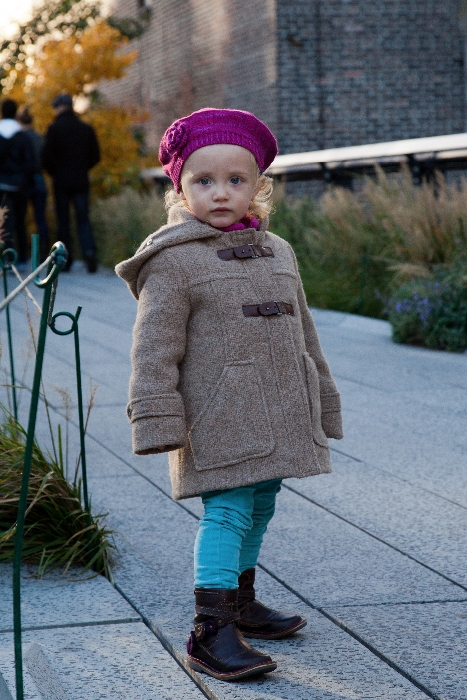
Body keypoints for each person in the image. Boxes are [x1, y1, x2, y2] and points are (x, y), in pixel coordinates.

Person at [116, 108, 343, 682]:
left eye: (236, 180)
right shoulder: (173, 261)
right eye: (204, 181)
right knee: (229, 509)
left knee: (262, 501)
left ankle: (241, 603)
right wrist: (156, 418)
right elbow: (153, 348)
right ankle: (209, 627)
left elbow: (304, 330)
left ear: (257, 186)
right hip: (219, 412)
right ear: (179, 187)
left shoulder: (279, 249)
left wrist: (323, 395)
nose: (221, 193)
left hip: (280, 407)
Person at [42, 93, 100, 272]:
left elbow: (45, 158)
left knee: (63, 220)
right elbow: (95, 156)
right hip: (81, 180)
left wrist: (55, 172)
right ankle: (89, 253)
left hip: (61, 182)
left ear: (60, 107)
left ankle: (64, 260)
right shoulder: (86, 129)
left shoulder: (53, 129)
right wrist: (83, 168)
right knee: (83, 219)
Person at [0, 99, 35, 263]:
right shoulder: (23, 136)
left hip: (2, 185)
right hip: (19, 185)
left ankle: (6, 258)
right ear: (16, 113)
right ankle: (22, 257)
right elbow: (30, 163)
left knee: (3, 221)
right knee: (21, 222)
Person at [16, 106, 50, 262]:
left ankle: (22, 254)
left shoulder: (19, 138)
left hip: (24, 182)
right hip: (39, 179)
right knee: (40, 217)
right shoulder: (39, 137)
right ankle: (44, 252)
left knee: (20, 218)